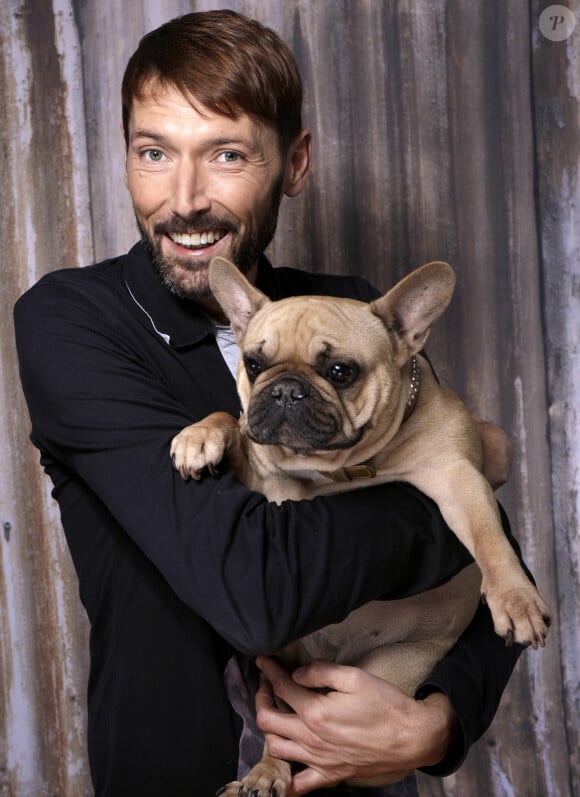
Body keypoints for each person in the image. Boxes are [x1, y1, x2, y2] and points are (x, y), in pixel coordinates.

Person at [14, 10, 528, 797]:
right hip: (176, 774)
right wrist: (466, 465)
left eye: (226, 154)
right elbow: (256, 592)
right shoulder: (74, 321)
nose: (184, 200)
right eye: (154, 152)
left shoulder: (354, 312)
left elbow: (497, 574)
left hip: (366, 783)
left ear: (294, 162)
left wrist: (437, 723)